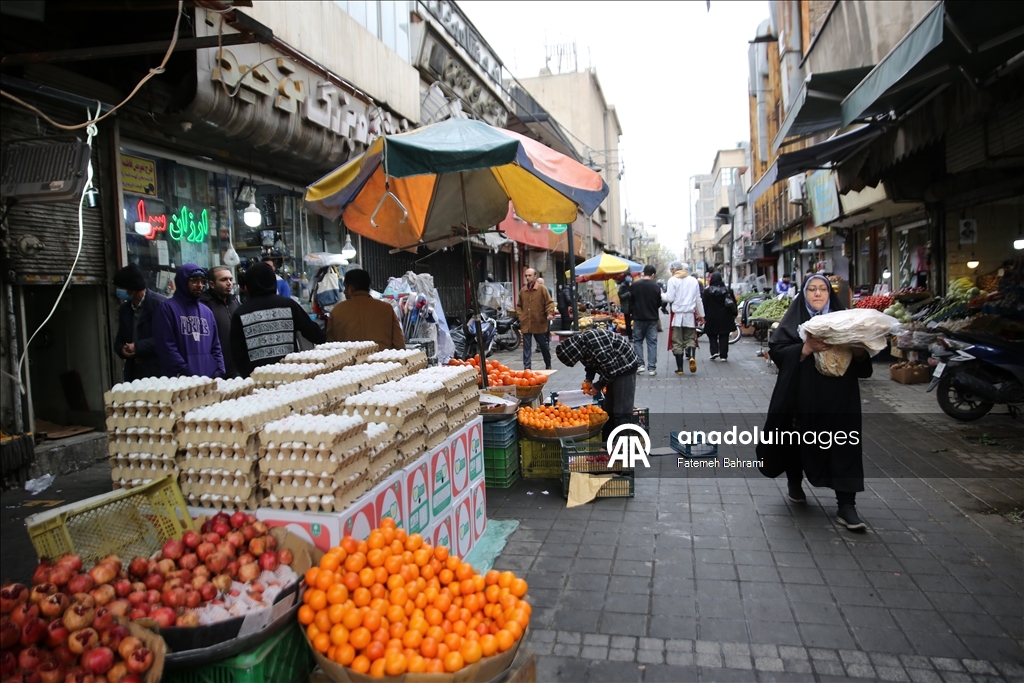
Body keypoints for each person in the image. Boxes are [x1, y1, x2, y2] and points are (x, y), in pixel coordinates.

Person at [756, 274, 872, 531]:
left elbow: (864, 368)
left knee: (844, 444)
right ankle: (795, 482)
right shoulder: (794, 320)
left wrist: (859, 351)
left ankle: (846, 505)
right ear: (804, 294)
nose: (818, 294)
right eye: (812, 290)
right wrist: (806, 348)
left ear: (830, 294)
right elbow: (777, 351)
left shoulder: (846, 321)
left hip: (840, 398)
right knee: (799, 440)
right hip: (803, 395)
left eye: (823, 289)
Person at [231, 262, 326, 377]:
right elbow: (314, 334)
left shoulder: (240, 313)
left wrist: (247, 375)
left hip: (258, 377)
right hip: (289, 372)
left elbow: (237, 352)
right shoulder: (289, 305)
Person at [555, 328, 640, 441]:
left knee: (621, 411)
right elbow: (590, 363)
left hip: (625, 366)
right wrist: (589, 379)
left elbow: (611, 370)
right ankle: (607, 443)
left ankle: (622, 447)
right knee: (608, 409)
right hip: (612, 368)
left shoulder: (596, 346)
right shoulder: (580, 346)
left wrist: (598, 385)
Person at [153, 264, 224, 378]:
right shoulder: (167, 309)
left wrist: (219, 370)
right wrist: (185, 371)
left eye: (202, 281)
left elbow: (215, 345)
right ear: (183, 281)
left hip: (208, 379)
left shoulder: (207, 312)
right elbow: (166, 346)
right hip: (180, 381)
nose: (199, 285)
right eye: (194, 281)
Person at [325, 268, 405, 351]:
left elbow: (330, 346)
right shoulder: (386, 309)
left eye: (345, 288)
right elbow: (399, 344)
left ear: (350, 289)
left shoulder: (337, 311)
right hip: (383, 362)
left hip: (348, 363)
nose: (344, 292)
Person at [113, 264, 166, 381]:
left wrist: (137, 347)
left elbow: (166, 339)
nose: (119, 291)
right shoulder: (125, 309)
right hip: (134, 372)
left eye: (122, 287)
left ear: (132, 289)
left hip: (156, 372)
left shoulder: (160, 305)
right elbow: (119, 339)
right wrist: (122, 349)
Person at [663, 262, 705, 374]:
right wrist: (702, 315)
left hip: (677, 316)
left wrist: (660, 294)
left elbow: (669, 298)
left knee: (677, 341)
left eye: (671, 269)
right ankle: (691, 356)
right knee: (690, 339)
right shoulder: (693, 280)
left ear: (675, 269)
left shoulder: (672, 280)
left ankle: (680, 369)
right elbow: (698, 299)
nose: (671, 271)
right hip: (689, 316)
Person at [200, 266, 241, 377]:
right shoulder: (204, 305)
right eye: (223, 280)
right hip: (216, 367)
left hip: (237, 366)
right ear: (212, 284)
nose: (229, 283)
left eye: (230, 279)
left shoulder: (234, 302)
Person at [516, 268, 555, 369]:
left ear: (535, 276)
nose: (527, 278)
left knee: (543, 345)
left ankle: (548, 364)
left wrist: (549, 313)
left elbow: (549, 303)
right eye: (526, 276)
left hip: (539, 322)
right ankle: (527, 368)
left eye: (529, 275)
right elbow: (519, 305)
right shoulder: (523, 291)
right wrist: (521, 316)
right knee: (527, 347)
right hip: (526, 323)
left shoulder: (542, 289)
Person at [630, 265, 663, 376]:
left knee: (637, 341)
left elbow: (631, 302)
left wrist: (633, 312)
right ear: (653, 274)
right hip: (652, 318)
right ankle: (652, 368)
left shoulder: (635, 285)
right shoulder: (656, 286)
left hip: (638, 317)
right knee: (652, 342)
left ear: (643, 273)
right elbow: (659, 302)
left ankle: (640, 365)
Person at [702, 272, 738, 362]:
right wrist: (734, 314)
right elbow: (733, 303)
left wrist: (703, 316)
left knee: (712, 334)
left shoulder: (707, 291)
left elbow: (704, 304)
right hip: (725, 316)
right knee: (724, 335)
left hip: (711, 316)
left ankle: (714, 351)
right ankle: (723, 355)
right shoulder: (728, 290)